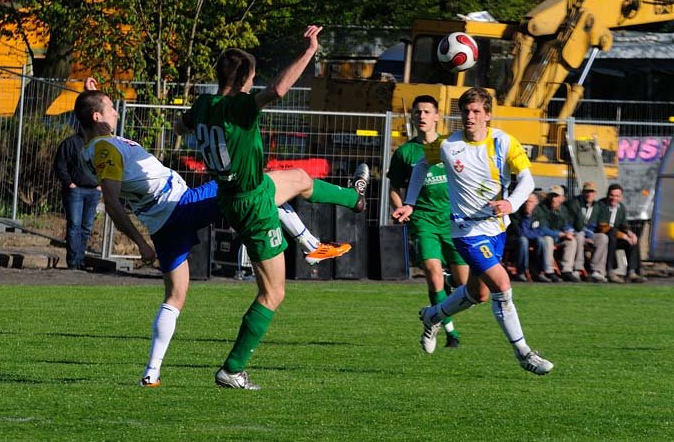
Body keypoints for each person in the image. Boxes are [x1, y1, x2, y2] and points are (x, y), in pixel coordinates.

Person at [76, 78, 353, 389]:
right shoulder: (103, 150)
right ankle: (311, 244)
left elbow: (109, 146)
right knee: (251, 187)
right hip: (181, 205)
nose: (116, 112)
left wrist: (91, 95)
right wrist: (138, 242)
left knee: (175, 296)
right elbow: (111, 201)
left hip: (162, 225)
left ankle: (151, 373)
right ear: (97, 117)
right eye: (111, 108)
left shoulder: (102, 144)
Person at [177, 25, 370, 390]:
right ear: (246, 79)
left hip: (241, 190)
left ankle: (355, 199)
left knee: (299, 177)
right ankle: (231, 369)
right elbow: (279, 89)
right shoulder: (239, 106)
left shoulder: (203, 105)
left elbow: (178, 125)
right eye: (252, 78)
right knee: (273, 294)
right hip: (251, 203)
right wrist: (310, 50)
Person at [393, 87, 553, 375]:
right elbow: (420, 167)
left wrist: (510, 202)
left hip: (496, 228)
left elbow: (528, 179)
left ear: (488, 115)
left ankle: (432, 316)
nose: (469, 116)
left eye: (476, 111)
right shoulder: (447, 144)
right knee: (502, 287)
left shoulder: (504, 142)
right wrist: (410, 203)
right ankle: (524, 353)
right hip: (466, 230)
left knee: (478, 294)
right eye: (465, 111)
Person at [387, 94, 469, 352]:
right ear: (412, 116)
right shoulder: (405, 152)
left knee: (466, 287)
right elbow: (394, 186)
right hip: (423, 220)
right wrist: (401, 208)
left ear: (437, 116)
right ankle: (450, 332)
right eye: (417, 112)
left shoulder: (451, 146)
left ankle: (444, 294)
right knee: (433, 274)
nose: (421, 116)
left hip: (454, 220)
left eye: (426, 112)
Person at [53, 127, 101, 270]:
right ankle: (73, 261)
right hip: (76, 190)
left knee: (86, 227)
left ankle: (80, 260)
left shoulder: (99, 144)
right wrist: (70, 183)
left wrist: (100, 184)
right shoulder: (70, 143)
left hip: (93, 190)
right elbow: (60, 165)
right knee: (74, 225)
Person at [592, 183, 645, 284]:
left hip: (617, 236)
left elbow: (623, 224)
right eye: (612, 195)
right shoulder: (600, 205)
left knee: (633, 240)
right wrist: (624, 236)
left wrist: (630, 233)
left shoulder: (621, 208)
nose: (614, 198)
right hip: (603, 235)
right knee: (611, 236)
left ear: (621, 197)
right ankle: (610, 271)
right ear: (608, 195)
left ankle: (632, 271)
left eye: (617, 196)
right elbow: (603, 226)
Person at [533, 185, 581, 282]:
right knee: (548, 239)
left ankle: (567, 270)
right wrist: (560, 234)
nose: (553, 199)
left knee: (571, 241)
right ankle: (549, 271)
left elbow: (567, 224)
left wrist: (569, 231)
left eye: (556, 196)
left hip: (558, 238)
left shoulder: (563, 210)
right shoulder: (541, 208)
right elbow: (542, 229)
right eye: (552, 196)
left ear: (562, 198)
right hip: (544, 238)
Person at [566, 181, 607, 282]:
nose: (589, 194)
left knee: (603, 238)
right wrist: (586, 234)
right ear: (582, 192)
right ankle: (578, 268)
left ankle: (596, 270)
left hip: (590, 233)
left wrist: (591, 234)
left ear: (595, 193)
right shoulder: (575, 203)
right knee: (580, 235)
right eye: (587, 192)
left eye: (592, 192)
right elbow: (573, 223)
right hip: (576, 232)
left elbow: (597, 224)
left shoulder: (597, 206)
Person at [508, 193, 548, 282]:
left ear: (536, 203)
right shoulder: (516, 213)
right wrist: (527, 216)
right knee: (523, 240)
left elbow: (541, 231)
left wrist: (531, 233)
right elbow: (520, 232)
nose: (528, 204)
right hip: (515, 239)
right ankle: (521, 272)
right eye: (526, 201)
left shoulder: (539, 213)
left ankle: (539, 272)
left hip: (532, 237)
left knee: (541, 241)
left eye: (530, 201)